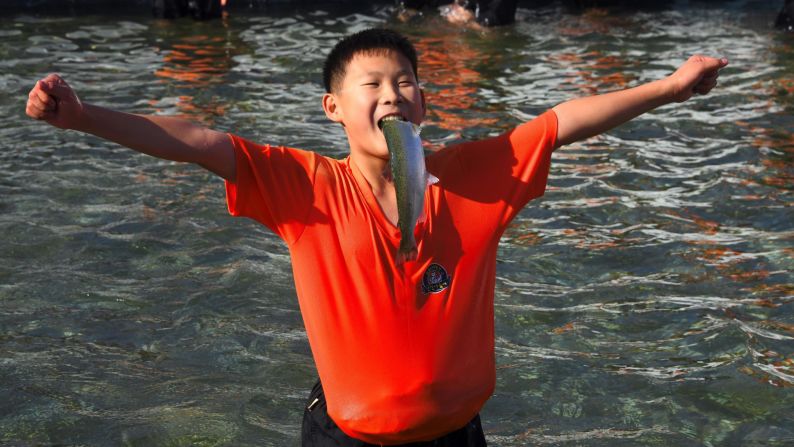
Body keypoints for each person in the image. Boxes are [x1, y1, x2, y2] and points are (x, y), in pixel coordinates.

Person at [25, 28, 727, 446]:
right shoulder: (305, 187)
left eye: (406, 82)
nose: (392, 93)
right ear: (333, 108)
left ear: (424, 103)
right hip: (347, 436)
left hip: (459, 434)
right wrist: (84, 115)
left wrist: (669, 87)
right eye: (372, 84)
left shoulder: (474, 177)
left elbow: (563, 120)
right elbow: (199, 142)